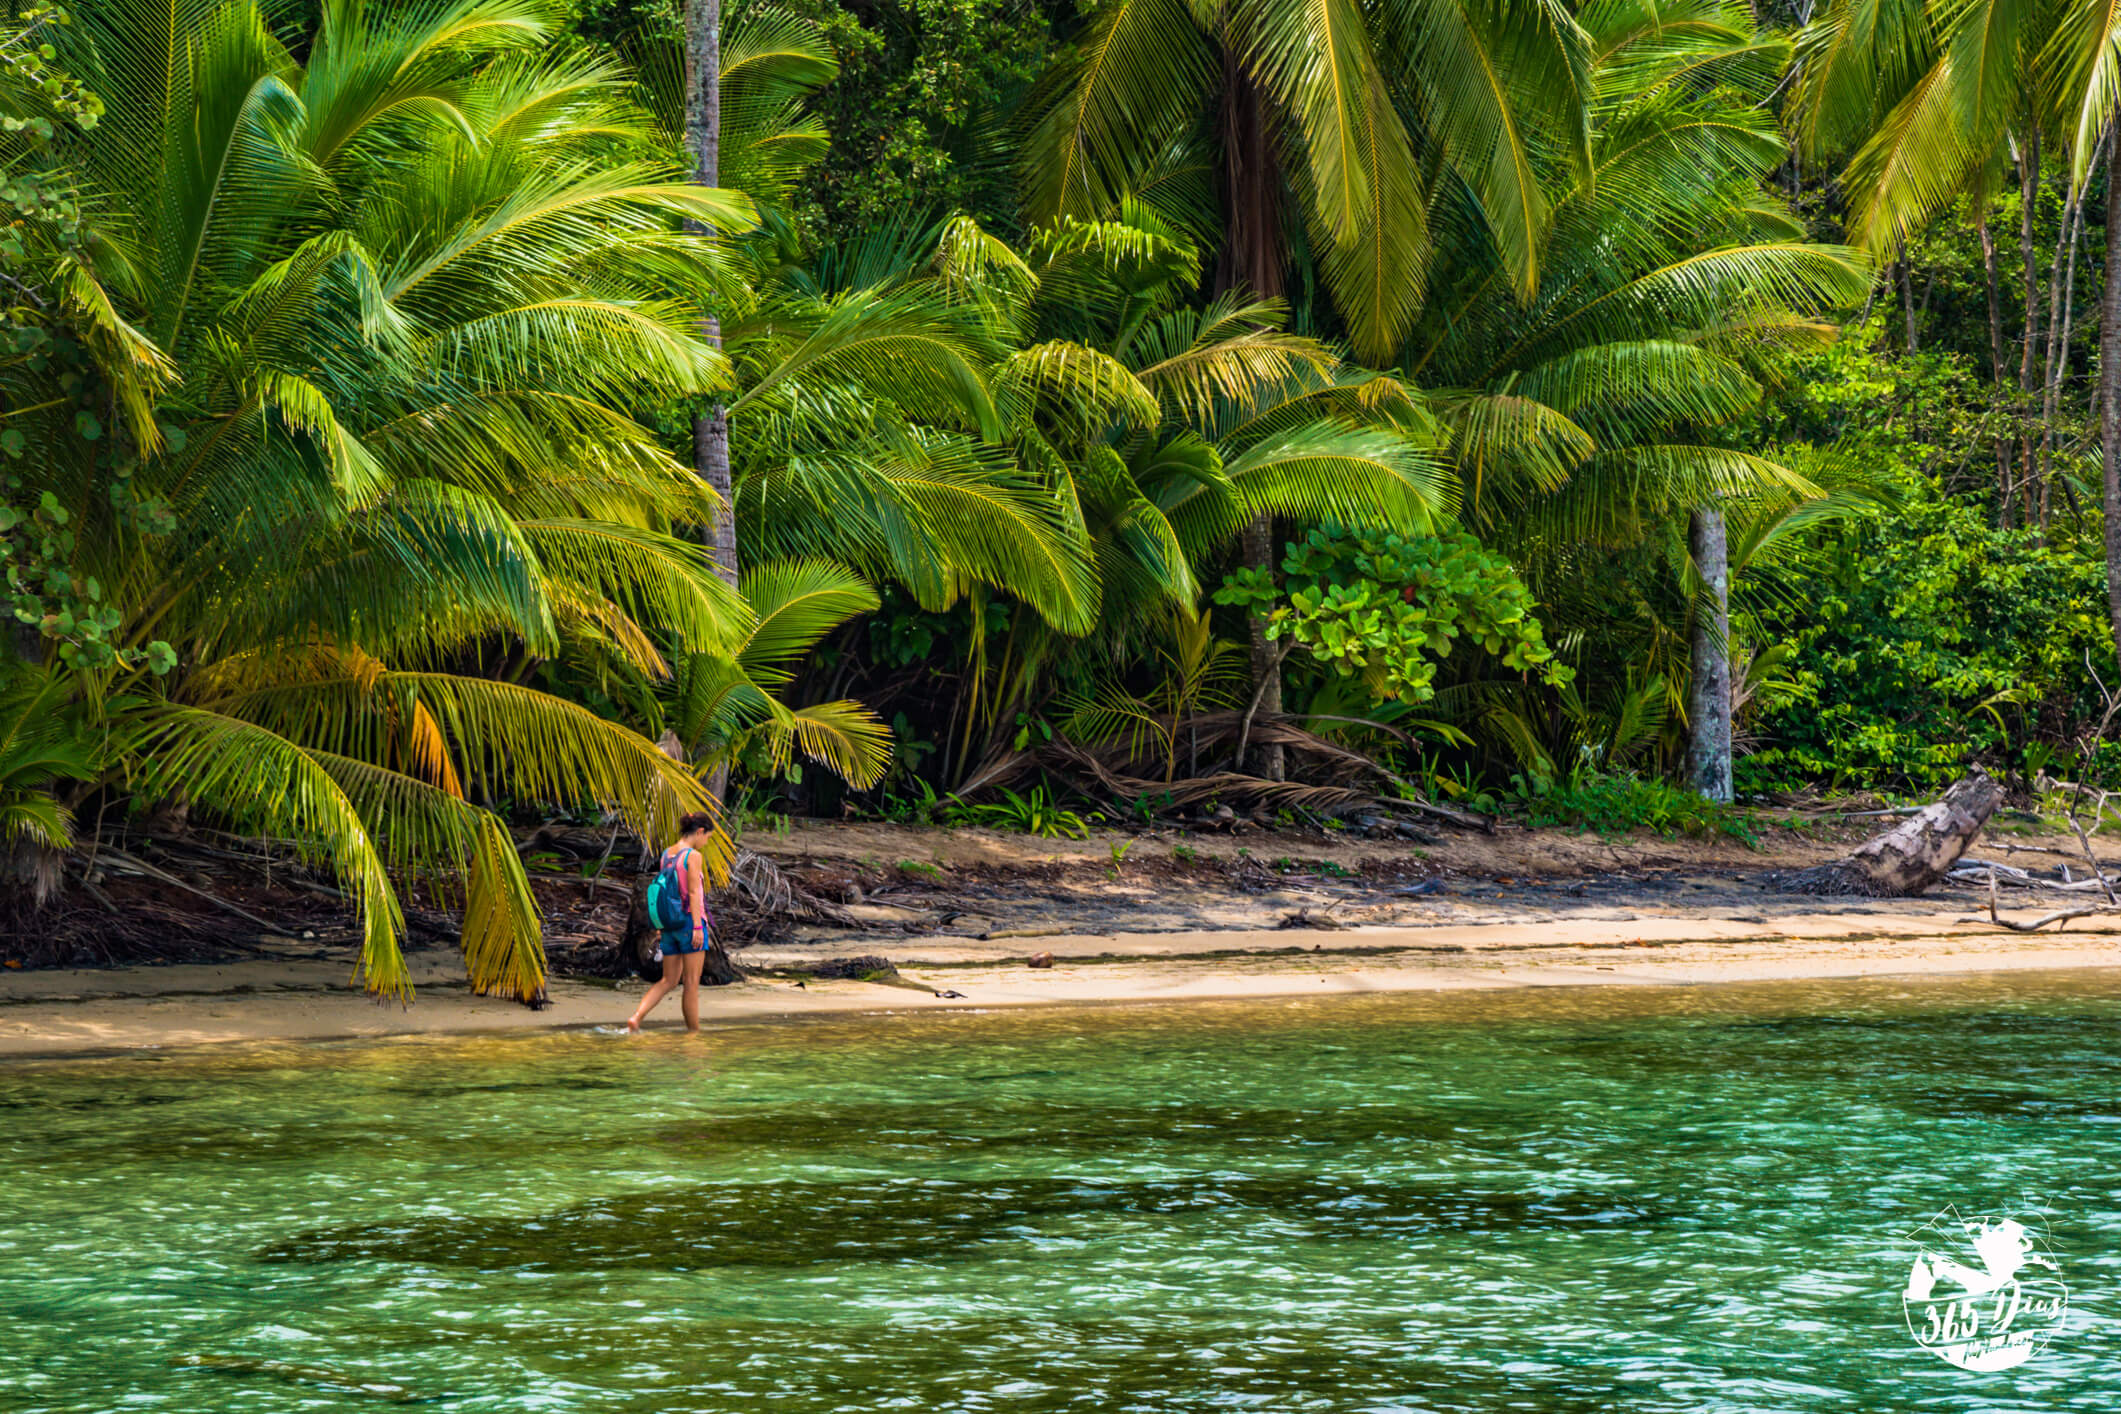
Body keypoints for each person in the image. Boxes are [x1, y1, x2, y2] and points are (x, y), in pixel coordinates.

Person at [624, 812, 714, 1033]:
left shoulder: (667, 854)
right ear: (700, 831)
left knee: (668, 980)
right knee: (691, 983)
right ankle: (694, 1034)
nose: (706, 842)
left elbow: (662, 893)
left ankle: (636, 1018)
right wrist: (696, 926)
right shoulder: (692, 856)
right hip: (688, 923)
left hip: (667, 925)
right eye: (708, 837)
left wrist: (659, 927)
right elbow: (693, 893)